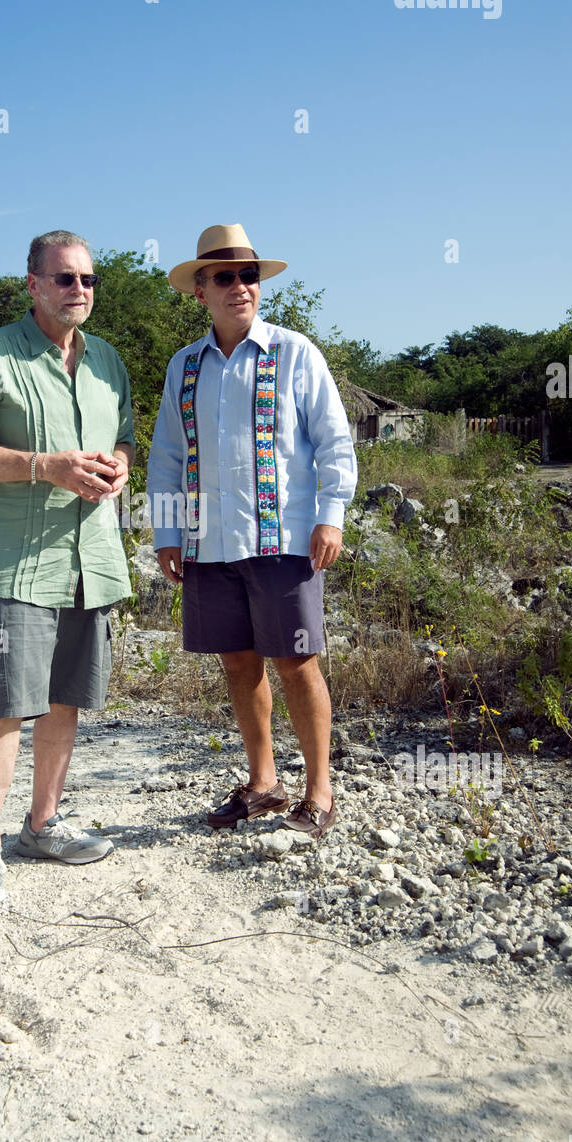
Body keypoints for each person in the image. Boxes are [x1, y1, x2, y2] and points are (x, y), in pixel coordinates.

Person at [0, 230, 135, 906]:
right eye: (62, 279)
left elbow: (123, 438)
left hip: (91, 558)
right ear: (33, 285)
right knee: (5, 705)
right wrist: (43, 467)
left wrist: (118, 466)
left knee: (65, 698)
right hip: (16, 563)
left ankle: (43, 824)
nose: (77, 290)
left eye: (86, 280)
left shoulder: (107, 360)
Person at [147, 224, 357, 838]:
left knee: (297, 661)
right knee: (238, 663)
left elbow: (333, 441)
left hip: (283, 540)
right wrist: (166, 531)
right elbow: (167, 454)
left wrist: (331, 515)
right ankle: (263, 784)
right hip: (208, 544)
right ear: (200, 291)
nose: (240, 287)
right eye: (225, 277)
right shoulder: (183, 366)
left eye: (249, 276)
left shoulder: (295, 353)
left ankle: (319, 794)